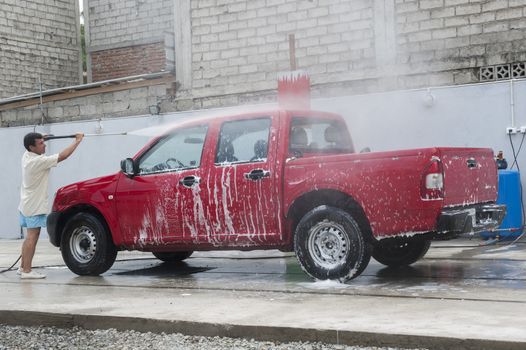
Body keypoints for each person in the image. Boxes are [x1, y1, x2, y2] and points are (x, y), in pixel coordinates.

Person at [18, 132, 84, 279]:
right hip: (34, 206)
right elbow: (62, 156)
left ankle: (23, 267)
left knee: (29, 237)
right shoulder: (37, 162)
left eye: (43, 141)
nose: (44, 145)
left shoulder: (26, 155)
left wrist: (42, 137)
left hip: (26, 204)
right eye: (41, 143)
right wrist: (77, 141)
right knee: (32, 237)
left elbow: (33, 143)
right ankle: (27, 271)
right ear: (31, 147)